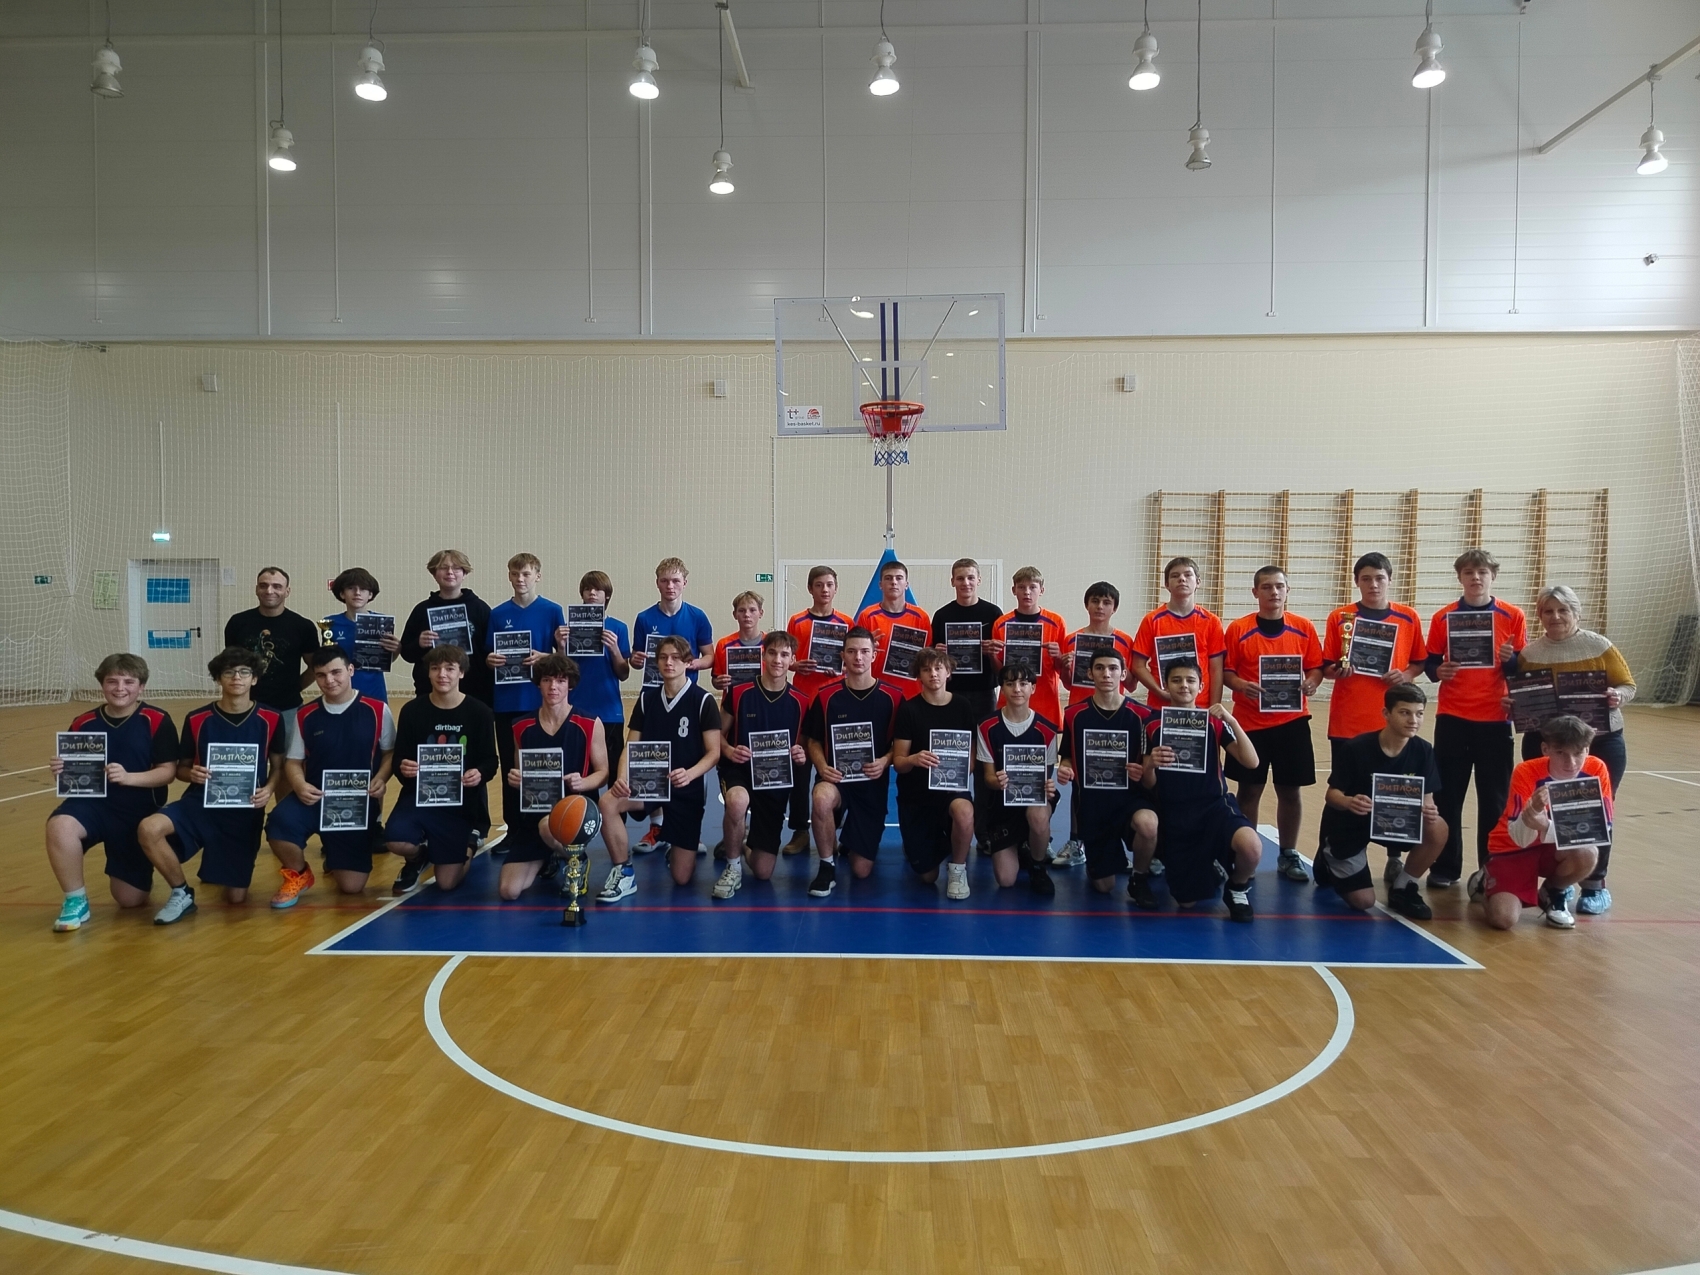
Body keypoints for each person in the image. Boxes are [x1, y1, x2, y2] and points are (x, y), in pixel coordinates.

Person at [1505, 584, 1633, 914]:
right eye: (1548, 611)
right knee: (1546, 809)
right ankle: (1559, 885)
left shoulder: (1599, 646)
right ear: (1540, 616)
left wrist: (1618, 696)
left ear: (1577, 613)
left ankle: (1594, 885)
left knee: (1595, 812)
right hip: (1547, 744)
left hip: (1601, 741)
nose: (1556, 616)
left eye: (1563, 610)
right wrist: (1514, 705)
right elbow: (1524, 696)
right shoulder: (1530, 654)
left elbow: (1627, 684)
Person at [137, 648, 286, 924]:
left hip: (244, 810)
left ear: (254, 679)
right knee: (149, 828)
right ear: (218, 679)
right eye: (228, 672)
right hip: (200, 803)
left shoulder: (272, 718)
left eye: (244, 672)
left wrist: (268, 788)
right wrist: (191, 774)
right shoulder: (197, 718)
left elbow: (278, 766)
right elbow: (180, 768)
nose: (236, 678)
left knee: (236, 898)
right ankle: (181, 892)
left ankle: (218, 862)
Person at [45, 654, 179, 932]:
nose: (120, 688)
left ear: (141, 687)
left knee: (129, 900)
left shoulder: (156, 720)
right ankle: (75, 900)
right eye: (112, 681)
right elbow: (73, 769)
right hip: (92, 807)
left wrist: (130, 778)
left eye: (129, 682)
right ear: (102, 685)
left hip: (136, 813)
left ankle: (140, 870)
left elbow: (168, 772)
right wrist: (62, 769)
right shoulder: (83, 723)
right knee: (59, 826)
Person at [1319, 552, 1428, 882]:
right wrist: (1339, 670)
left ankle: (1394, 857)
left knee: (1395, 791)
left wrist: (1405, 675)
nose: (1373, 584)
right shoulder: (1341, 617)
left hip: (1392, 724)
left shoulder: (1408, 617)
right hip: (1348, 721)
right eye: (1366, 578)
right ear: (1357, 582)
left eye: (1379, 578)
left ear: (1389, 580)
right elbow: (1327, 666)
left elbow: (1419, 662)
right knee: (1342, 793)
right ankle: (1331, 853)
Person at [1425, 548, 1528, 889]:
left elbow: (1520, 669)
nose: (1476, 578)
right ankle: (1445, 867)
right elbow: (1430, 664)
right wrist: (1438, 671)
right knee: (1448, 796)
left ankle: (1490, 868)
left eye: (1482, 572)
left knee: (1494, 799)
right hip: (1452, 717)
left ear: (1492, 576)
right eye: (1469, 572)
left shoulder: (1513, 615)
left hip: (1495, 720)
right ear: (1460, 577)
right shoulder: (1443, 617)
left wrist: (1510, 660)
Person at [266, 646, 395, 906]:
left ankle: (337, 855)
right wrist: (299, 785)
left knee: (351, 887)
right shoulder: (306, 714)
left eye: (336, 672)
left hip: (355, 804)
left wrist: (381, 778)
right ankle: (299, 874)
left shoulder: (377, 709)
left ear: (350, 670)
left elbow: (390, 753)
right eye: (321, 675)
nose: (329, 680)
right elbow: (293, 761)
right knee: (279, 823)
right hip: (315, 797)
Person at [1220, 566, 1325, 883]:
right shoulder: (1239, 629)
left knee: (1290, 791)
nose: (1274, 592)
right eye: (1266, 587)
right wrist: (1241, 685)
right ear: (1255, 592)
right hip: (1250, 725)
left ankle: (1288, 853)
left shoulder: (1303, 627)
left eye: (1279, 586)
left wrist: (1311, 683)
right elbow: (1227, 672)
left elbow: (1316, 668)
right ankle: (1246, 852)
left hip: (1292, 722)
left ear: (1287, 590)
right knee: (1249, 790)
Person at [597, 637, 722, 900]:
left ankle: (674, 845)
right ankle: (624, 871)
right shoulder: (646, 699)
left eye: (676, 657)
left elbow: (714, 753)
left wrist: (690, 773)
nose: (669, 662)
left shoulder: (703, 700)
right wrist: (622, 777)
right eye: (663, 657)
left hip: (685, 788)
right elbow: (631, 746)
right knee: (608, 802)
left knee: (682, 878)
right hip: (649, 784)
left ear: (688, 662)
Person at [1140, 657, 1263, 922]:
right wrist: (1150, 764)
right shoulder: (1152, 723)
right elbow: (1148, 783)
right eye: (1176, 680)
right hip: (1175, 813)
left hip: (1214, 806)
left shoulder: (1214, 722)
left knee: (1252, 846)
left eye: (1190, 680)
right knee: (1186, 902)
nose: (1184, 685)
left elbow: (1252, 762)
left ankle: (1237, 888)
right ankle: (1212, 866)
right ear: (1166, 685)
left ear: (1201, 686)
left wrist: (1232, 721)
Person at [1313, 683, 1447, 919]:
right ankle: (1327, 859)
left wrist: (1429, 809)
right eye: (1405, 712)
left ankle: (1404, 887)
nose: (1413, 720)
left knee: (1438, 827)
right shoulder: (1356, 748)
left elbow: (1428, 798)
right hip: (1351, 824)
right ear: (1386, 713)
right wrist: (1349, 802)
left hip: (1395, 821)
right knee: (1363, 901)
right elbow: (1332, 795)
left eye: (1419, 713)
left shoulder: (1423, 750)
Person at [1475, 715, 1612, 931]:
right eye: (1561, 753)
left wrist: (1545, 826)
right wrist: (1532, 816)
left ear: (1588, 749)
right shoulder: (1526, 771)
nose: (1571, 763)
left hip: (1554, 848)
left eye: (1578, 753)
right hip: (1513, 849)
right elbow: (1519, 839)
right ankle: (1485, 884)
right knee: (1503, 919)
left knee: (1588, 851)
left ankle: (1552, 892)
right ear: (1545, 749)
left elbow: (1600, 828)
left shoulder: (1596, 769)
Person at [386, 644, 500, 896]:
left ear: (461, 673)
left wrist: (479, 773)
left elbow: (490, 761)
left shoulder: (480, 712)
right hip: (420, 798)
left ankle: (470, 840)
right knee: (395, 839)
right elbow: (399, 759)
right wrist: (404, 768)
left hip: (461, 803)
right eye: (435, 668)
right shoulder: (412, 711)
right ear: (428, 672)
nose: (442, 674)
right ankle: (418, 857)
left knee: (447, 883)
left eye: (450, 668)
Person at [803, 628, 904, 897]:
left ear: (874, 655)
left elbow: (900, 744)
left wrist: (885, 761)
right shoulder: (825, 696)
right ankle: (826, 866)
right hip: (835, 779)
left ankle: (851, 836)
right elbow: (813, 740)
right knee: (821, 798)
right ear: (842, 656)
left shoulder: (893, 697)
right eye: (851, 651)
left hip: (871, 785)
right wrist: (822, 767)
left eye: (864, 651)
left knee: (861, 870)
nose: (858, 657)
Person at [499, 654, 609, 901]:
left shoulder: (590, 723)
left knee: (548, 825)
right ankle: (552, 854)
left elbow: (603, 773)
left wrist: (583, 782)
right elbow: (520, 772)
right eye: (547, 680)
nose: (553, 687)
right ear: (538, 684)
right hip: (535, 811)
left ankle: (578, 860)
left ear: (570, 684)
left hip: (576, 809)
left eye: (560, 680)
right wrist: (516, 779)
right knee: (508, 891)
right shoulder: (521, 726)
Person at [714, 631, 810, 899]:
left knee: (763, 871)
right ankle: (732, 867)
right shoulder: (739, 692)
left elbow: (802, 746)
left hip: (774, 781)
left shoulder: (801, 701)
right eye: (772, 653)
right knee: (737, 802)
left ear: (792, 660)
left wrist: (800, 754)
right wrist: (729, 750)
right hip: (739, 771)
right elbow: (716, 734)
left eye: (784, 655)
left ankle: (740, 844)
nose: (778, 660)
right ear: (763, 655)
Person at [629, 557, 715, 853]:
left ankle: (689, 830)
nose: (670, 586)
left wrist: (689, 664)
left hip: (686, 697)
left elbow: (709, 656)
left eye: (676, 580)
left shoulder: (697, 616)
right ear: (657, 583)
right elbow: (636, 658)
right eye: (665, 580)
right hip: (653, 696)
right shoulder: (644, 618)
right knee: (652, 759)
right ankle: (656, 826)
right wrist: (635, 659)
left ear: (684, 583)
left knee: (689, 760)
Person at [1057, 649, 1156, 897]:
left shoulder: (1143, 715)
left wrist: (1143, 770)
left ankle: (1139, 877)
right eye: (1099, 668)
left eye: (1113, 668)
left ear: (1123, 674)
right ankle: (1108, 856)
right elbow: (1067, 756)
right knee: (1104, 887)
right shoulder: (1074, 714)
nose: (1106, 674)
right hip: (1094, 805)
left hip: (1130, 800)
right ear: (1090, 673)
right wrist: (1065, 768)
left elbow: (1149, 765)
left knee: (1148, 825)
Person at [1055, 580, 1139, 866]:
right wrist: (1065, 667)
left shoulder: (1125, 640)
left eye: (1106, 602)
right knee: (1080, 780)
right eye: (1095, 601)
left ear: (1114, 607)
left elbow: (1132, 683)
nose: (1100, 607)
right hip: (1082, 716)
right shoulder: (1072, 639)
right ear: (1087, 605)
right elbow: (1068, 683)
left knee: (1120, 778)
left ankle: (1120, 842)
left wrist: (1121, 672)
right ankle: (1076, 841)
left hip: (1116, 717)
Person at [891, 647, 982, 899]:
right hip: (917, 794)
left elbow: (971, 753)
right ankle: (929, 844)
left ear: (948, 672)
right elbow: (899, 763)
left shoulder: (962, 706)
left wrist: (962, 770)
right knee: (927, 877)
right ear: (918, 675)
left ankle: (958, 869)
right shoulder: (909, 710)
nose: (933, 674)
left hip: (950, 789)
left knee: (964, 811)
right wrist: (914, 759)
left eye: (938, 668)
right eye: (926, 669)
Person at [484, 553, 569, 799]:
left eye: (526, 574)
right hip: (506, 701)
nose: (520, 579)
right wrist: (490, 661)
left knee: (543, 763)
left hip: (540, 700)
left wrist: (545, 656)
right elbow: (488, 655)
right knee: (511, 768)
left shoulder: (552, 610)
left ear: (538, 576)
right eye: (515, 574)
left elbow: (563, 657)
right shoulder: (497, 614)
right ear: (509, 577)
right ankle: (512, 820)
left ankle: (549, 815)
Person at [974, 665, 1061, 897]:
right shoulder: (986, 726)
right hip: (1001, 804)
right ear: (1002, 688)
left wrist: (1049, 787)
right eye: (1010, 684)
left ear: (1033, 688)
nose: (1017, 689)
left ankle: (1037, 866)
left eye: (1023, 684)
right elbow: (988, 778)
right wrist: (997, 781)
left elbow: (1045, 780)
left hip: (1032, 801)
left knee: (1038, 814)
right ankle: (1022, 845)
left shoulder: (1047, 730)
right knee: (1006, 880)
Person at [786, 565, 854, 855]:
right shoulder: (797, 621)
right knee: (800, 767)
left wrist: (842, 669)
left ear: (836, 588)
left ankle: (832, 828)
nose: (824, 590)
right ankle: (800, 831)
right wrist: (794, 665)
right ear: (810, 588)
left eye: (829, 584)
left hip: (834, 704)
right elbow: (787, 658)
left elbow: (853, 660)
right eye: (818, 585)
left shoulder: (847, 622)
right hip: (803, 701)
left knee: (835, 765)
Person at [223, 567, 321, 723]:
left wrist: (295, 688)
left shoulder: (303, 626)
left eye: (277, 586)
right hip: (245, 707)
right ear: (256, 589)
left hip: (288, 709)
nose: (269, 591)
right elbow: (230, 665)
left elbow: (315, 666)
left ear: (287, 591)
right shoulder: (238, 623)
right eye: (263, 585)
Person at [398, 549, 494, 705]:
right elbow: (407, 654)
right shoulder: (422, 610)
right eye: (443, 567)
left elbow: (491, 651)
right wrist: (419, 644)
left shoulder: (480, 609)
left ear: (464, 573)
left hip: (475, 692)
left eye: (456, 568)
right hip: (430, 692)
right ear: (434, 574)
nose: (450, 572)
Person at [1130, 557, 1227, 709]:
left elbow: (1216, 670)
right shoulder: (1152, 621)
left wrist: (1214, 707)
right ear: (1167, 584)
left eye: (1188, 575)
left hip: (1200, 706)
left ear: (1198, 582)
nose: (1182, 579)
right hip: (1160, 706)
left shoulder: (1212, 622)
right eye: (1175, 576)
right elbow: (1137, 666)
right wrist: (1159, 692)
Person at [569, 570, 632, 797]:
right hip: (577, 710)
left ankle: (615, 815)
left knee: (614, 773)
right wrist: (561, 645)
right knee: (582, 773)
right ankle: (585, 815)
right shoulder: (569, 628)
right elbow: (563, 671)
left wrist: (614, 649)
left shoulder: (618, 627)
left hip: (609, 711)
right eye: (588, 589)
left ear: (607, 596)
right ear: (582, 594)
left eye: (598, 589)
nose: (592, 593)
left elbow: (624, 673)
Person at [990, 566, 1069, 731]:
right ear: (1014, 590)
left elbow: (1061, 669)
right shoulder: (1001, 624)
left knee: (1045, 747)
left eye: (1032, 587)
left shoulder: (1056, 622)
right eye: (1021, 587)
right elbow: (1000, 672)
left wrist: (1058, 656)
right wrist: (991, 655)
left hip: (1045, 702)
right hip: (1011, 701)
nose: (1027, 592)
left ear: (1041, 590)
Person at [928, 557, 1004, 726]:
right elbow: (931, 653)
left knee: (984, 737)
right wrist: (937, 652)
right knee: (953, 738)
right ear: (952, 581)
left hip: (984, 691)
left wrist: (992, 652)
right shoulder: (942, 615)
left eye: (970, 578)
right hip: (951, 690)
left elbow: (1002, 656)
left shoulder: (993, 613)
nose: (966, 583)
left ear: (979, 580)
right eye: (960, 578)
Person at [855, 559, 932, 699]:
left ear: (906, 584)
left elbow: (927, 655)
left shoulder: (921, 617)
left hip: (912, 692)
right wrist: (867, 647)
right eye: (888, 578)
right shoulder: (867, 616)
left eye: (899, 578)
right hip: (876, 691)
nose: (894, 582)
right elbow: (857, 655)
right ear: (880, 585)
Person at [322, 567, 400, 703]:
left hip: (374, 689)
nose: (357, 593)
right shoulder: (330, 623)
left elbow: (386, 659)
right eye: (351, 588)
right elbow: (326, 660)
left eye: (363, 589)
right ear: (342, 593)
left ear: (370, 594)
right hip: (341, 691)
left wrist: (397, 649)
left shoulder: (382, 622)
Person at [711, 591, 767, 692]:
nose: (747, 615)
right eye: (741, 610)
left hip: (764, 699)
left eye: (752, 610)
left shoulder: (771, 644)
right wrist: (718, 683)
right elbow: (715, 679)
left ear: (761, 613)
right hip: (732, 700)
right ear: (735, 614)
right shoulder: (724, 644)